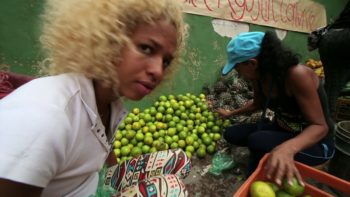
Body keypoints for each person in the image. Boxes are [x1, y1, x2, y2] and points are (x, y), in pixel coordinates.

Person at [0, 0, 190, 196]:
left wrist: (115, 181)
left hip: (92, 183)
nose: (158, 71)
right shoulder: (47, 118)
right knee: (172, 189)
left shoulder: (109, 99)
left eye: (166, 61)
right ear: (108, 38)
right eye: (146, 49)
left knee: (179, 159)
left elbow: (102, 148)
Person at [217, 31, 334, 186]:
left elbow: (320, 127)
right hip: (284, 129)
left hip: (315, 143)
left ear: (252, 63)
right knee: (232, 133)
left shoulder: (297, 75)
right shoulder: (258, 77)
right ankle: (267, 152)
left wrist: (287, 148)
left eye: (238, 68)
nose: (238, 73)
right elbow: (257, 104)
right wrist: (230, 113)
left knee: (257, 141)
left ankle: (266, 167)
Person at [318, 0, 350, 115]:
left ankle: (320, 122)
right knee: (332, 89)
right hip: (343, 38)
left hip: (330, 36)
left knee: (331, 89)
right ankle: (324, 126)